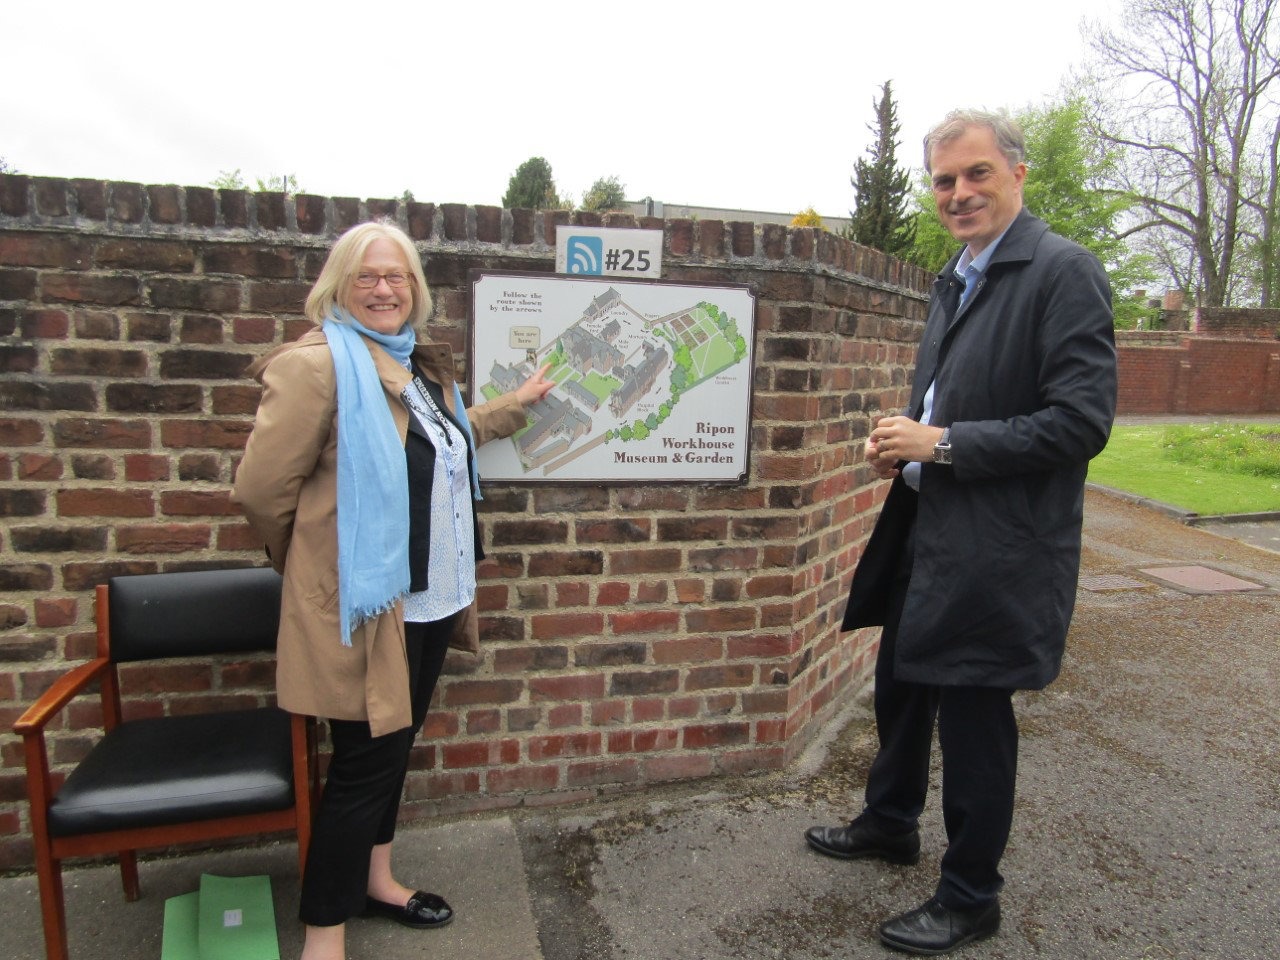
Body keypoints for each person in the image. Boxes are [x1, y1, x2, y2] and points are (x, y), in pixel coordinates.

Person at [804, 109, 1117, 955]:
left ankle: (971, 894)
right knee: (902, 680)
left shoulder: (1062, 271)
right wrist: (904, 446)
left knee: (975, 715)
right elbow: (954, 397)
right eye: (945, 180)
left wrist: (938, 444)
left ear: (1017, 175)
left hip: (1001, 544)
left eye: (977, 174)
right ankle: (890, 820)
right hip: (928, 522)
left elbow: (1082, 423)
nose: (960, 193)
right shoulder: (960, 272)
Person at [232, 221, 554, 960]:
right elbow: (259, 491)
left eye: (398, 276)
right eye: (368, 276)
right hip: (369, 606)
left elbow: (450, 436)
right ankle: (323, 937)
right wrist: (313, 568)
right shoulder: (316, 366)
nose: (384, 289)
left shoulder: (419, 364)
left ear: (416, 289)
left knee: (395, 751)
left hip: (433, 596)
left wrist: (521, 402)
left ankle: (378, 878)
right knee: (361, 766)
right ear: (338, 286)